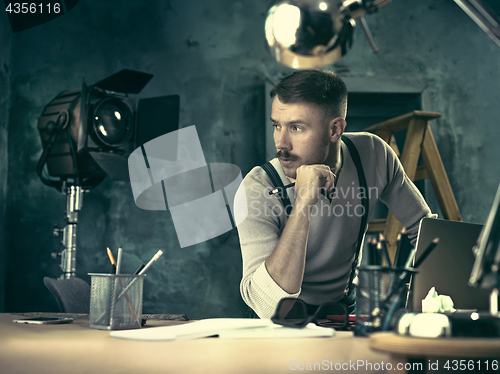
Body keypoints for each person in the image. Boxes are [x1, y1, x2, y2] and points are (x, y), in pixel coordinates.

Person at [234, 69, 435, 319]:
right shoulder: (258, 188)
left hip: (342, 313)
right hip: (280, 324)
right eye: (277, 126)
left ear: (335, 130)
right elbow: (266, 305)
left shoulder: (373, 154)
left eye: (296, 128)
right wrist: (303, 204)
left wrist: (428, 305)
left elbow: (427, 231)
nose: (281, 144)